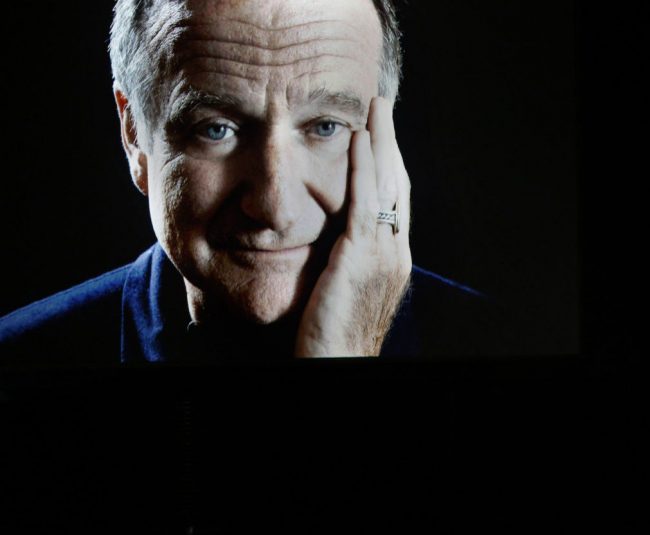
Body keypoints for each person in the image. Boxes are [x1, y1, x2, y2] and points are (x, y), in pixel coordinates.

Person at [0, 0, 505, 363]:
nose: (274, 207)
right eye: (215, 129)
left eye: (325, 127)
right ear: (135, 136)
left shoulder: (503, 339)